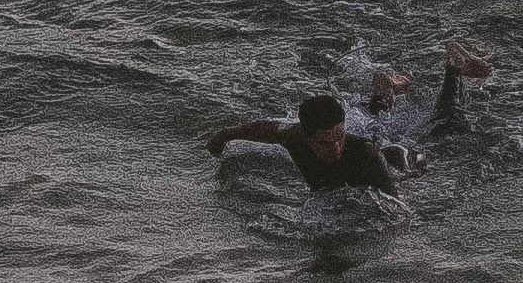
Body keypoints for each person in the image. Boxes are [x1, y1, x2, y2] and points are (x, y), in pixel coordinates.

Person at [206, 46, 493, 196]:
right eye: (326, 142)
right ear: (306, 136)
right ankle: (383, 88)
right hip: (375, 151)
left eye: (339, 137)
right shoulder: (293, 136)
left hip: (399, 161)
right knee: (377, 123)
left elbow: (398, 209)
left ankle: (453, 70)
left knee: (447, 125)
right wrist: (224, 135)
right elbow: (264, 129)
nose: (335, 147)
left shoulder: (363, 154)